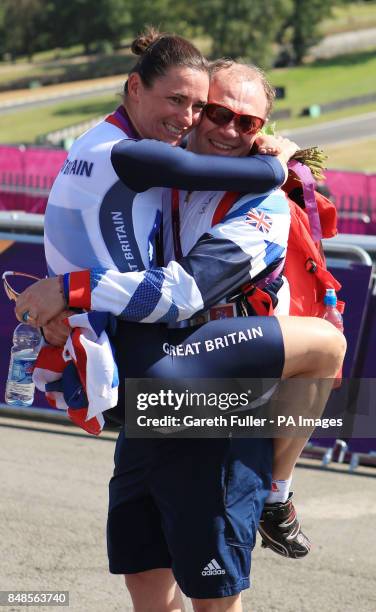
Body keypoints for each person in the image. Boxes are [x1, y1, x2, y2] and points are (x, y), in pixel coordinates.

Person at [15, 30, 346, 612]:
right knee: (146, 585)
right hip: (150, 400)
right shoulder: (162, 162)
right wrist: (70, 308)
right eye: (210, 110)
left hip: (215, 410)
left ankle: (277, 490)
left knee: (213, 598)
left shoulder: (262, 204)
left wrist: (67, 290)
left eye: (247, 124)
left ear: (262, 132)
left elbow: (184, 294)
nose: (223, 127)